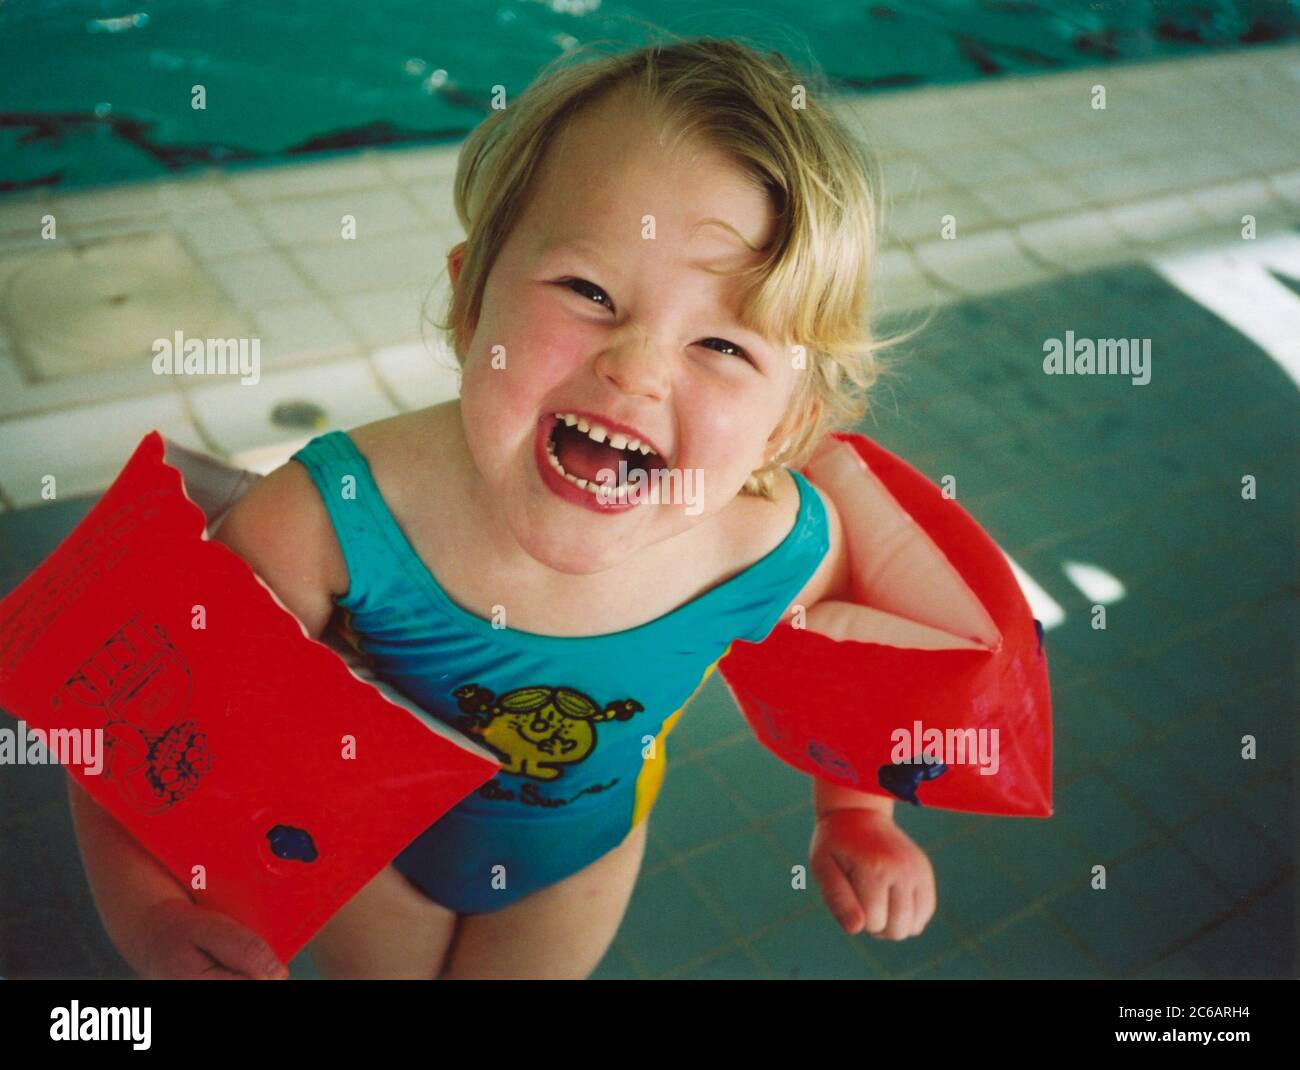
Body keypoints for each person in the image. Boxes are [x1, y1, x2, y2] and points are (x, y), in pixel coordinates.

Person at [70, 35, 939, 980]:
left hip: (581, 861)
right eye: (588, 289)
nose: (636, 368)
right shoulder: (331, 523)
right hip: (375, 859)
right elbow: (135, 720)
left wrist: (856, 812)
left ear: (788, 426)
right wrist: (149, 913)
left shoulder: (768, 546)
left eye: (726, 346)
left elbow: (850, 676)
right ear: (470, 297)